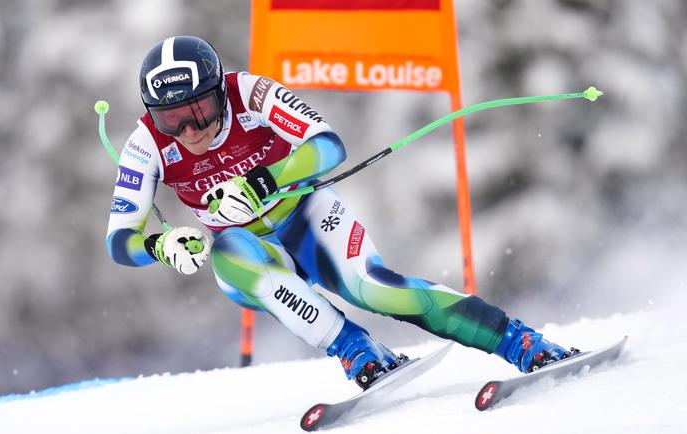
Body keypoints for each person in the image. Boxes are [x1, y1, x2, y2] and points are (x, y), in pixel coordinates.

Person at [106, 36, 575, 389]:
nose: (190, 129)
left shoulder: (249, 92)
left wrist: (266, 179)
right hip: (249, 252)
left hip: (306, 215)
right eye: (173, 119)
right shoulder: (145, 144)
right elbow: (119, 241)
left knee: (374, 290)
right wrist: (160, 245)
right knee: (231, 251)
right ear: (154, 113)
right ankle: (355, 349)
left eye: (201, 110)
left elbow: (328, 146)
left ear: (218, 93)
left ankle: (519, 341)